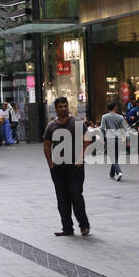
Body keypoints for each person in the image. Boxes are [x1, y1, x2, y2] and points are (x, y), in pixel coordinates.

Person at [45, 97, 92, 237]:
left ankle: (84, 225)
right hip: (58, 168)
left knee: (76, 194)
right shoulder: (51, 126)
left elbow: (87, 141)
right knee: (62, 199)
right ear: (56, 108)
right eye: (60, 106)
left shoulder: (77, 123)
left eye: (65, 106)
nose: (63, 108)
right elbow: (46, 145)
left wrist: (80, 158)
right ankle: (67, 228)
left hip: (75, 167)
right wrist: (50, 164)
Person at [99, 101, 129, 181]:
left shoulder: (105, 117)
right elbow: (125, 129)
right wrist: (127, 140)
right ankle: (112, 173)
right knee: (115, 156)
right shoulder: (120, 117)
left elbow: (101, 128)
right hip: (119, 139)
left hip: (110, 138)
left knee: (113, 157)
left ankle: (119, 172)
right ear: (115, 107)